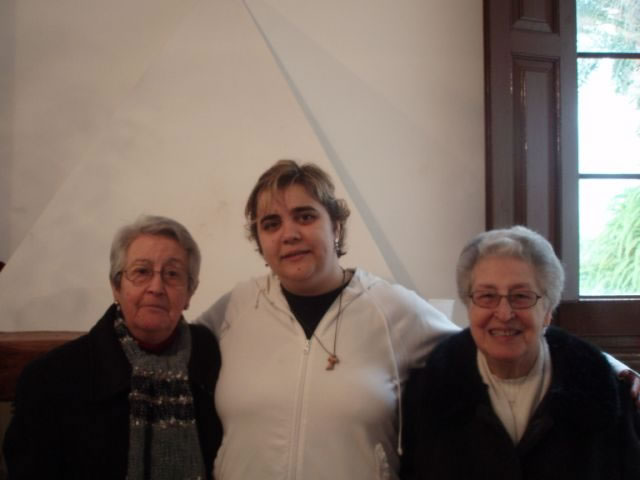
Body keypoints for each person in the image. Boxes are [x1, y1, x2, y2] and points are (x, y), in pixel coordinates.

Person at [197, 160, 461, 480]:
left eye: (305, 217)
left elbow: (475, 354)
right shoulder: (235, 308)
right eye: (271, 224)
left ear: (335, 226)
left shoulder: (392, 309)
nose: (289, 234)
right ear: (260, 243)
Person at [401, 226, 640, 479]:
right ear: (469, 306)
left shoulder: (608, 397)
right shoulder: (426, 396)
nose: (504, 314)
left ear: (548, 311)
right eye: (487, 296)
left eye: (521, 296)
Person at [3, 215, 223, 479]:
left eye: (172, 274)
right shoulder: (50, 379)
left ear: (189, 293)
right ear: (116, 287)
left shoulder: (211, 359)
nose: (156, 287)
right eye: (141, 272)